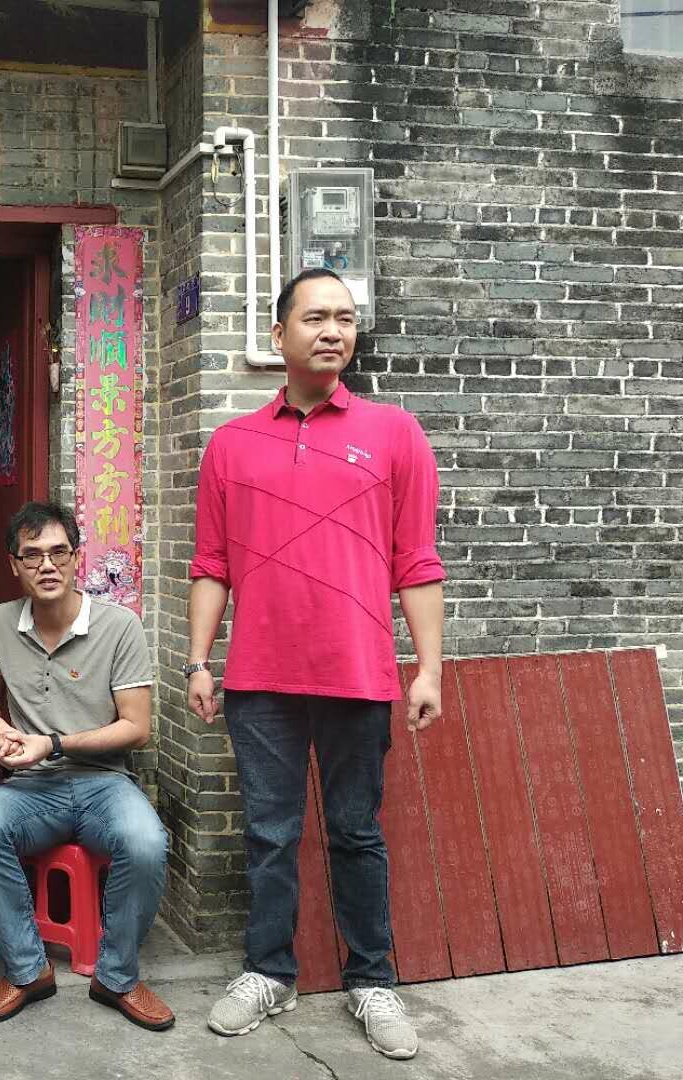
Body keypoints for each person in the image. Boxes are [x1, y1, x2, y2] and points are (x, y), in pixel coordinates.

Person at [188, 268, 445, 1060]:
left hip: (358, 673)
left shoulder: (395, 433)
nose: (333, 330)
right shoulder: (232, 443)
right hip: (258, 676)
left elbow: (417, 561)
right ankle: (269, 972)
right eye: (315, 317)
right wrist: (198, 660)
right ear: (279, 335)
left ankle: (372, 980)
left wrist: (428, 668)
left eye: (345, 318)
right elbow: (211, 564)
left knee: (356, 832)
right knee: (269, 833)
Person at [0, 502, 175, 1033]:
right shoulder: (0, 624)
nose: (47, 565)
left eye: (59, 552)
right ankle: (27, 970)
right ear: (14, 565)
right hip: (32, 787)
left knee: (146, 842)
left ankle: (117, 977)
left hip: (104, 782)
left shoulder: (119, 626)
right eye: (32, 555)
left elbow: (137, 727)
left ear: (78, 558)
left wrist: (52, 743)